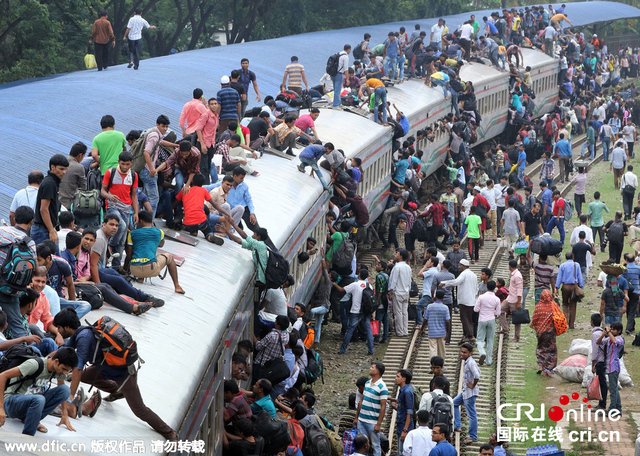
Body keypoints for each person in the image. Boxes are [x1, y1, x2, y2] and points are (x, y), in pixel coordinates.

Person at [54, 308, 175, 438]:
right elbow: (64, 351)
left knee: (140, 410)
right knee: (85, 376)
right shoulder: (81, 332)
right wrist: (47, 360)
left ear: (67, 327)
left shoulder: (83, 338)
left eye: (59, 328)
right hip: (105, 367)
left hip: (124, 374)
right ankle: (117, 391)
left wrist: (70, 396)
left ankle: (170, 433)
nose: (58, 332)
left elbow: (78, 369)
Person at [0, 346, 77, 436]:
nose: (65, 372)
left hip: (29, 403)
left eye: (68, 371)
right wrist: (1, 408)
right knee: (39, 399)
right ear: (56, 361)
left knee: (65, 390)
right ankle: (28, 436)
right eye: (64, 369)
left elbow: (61, 386)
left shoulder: (57, 370)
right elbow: (3, 376)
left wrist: (65, 414)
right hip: (11, 403)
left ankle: (32, 419)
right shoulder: (34, 364)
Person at [125, 210, 184, 294]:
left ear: (140, 221)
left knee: (139, 253)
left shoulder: (132, 233)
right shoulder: (159, 232)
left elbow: (129, 256)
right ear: (152, 222)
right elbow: (161, 244)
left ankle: (140, 278)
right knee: (169, 257)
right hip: (151, 268)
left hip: (134, 269)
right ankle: (177, 286)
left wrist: (124, 269)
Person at [101, 151, 140, 270]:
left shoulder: (134, 175)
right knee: (121, 227)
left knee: (122, 240)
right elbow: (102, 191)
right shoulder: (110, 172)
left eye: (127, 164)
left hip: (126, 209)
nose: (125, 167)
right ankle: (110, 246)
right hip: (113, 206)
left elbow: (134, 195)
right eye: (123, 164)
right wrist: (109, 196)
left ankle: (116, 267)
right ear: (118, 162)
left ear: (131, 163)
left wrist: (136, 212)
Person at [36, 243, 92, 320]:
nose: (36, 263)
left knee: (85, 305)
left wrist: (71, 310)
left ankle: (66, 323)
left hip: (58, 300)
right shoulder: (34, 266)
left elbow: (70, 284)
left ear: (48, 258)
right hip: (39, 299)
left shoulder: (62, 264)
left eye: (39, 260)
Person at [333, 269, 374, 355]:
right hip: (366, 311)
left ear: (359, 275)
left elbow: (341, 290)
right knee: (368, 329)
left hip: (355, 311)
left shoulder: (355, 285)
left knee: (350, 330)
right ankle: (371, 350)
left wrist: (334, 283)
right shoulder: (369, 286)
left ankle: (343, 349)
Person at [32, 155, 68, 249]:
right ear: (52, 167)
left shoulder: (53, 182)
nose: (64, 172)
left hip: (46, 229)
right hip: (43, 231)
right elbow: (43, 209)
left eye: (65, 169)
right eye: (61, 169)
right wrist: (51, 230)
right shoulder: (49, 183)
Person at [355, 362, 387, 456]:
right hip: (362, 420)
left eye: (372, 367)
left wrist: (378, 424)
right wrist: (357, 417)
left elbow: (383, 406)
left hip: (372, 421)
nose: (370, 368)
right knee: (362, 445)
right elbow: (361, 401)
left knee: (375, 444)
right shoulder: (368, 383)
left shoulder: (382, 387)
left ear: (377, 371)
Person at [441, 259, 477, 343]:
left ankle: (470, 336)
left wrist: (445, 283)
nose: (459, 267)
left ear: (464, 266)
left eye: (460, 265)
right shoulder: (473, 275)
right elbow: (476, 288)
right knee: (467, 318)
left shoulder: (464, 274)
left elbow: (456, 282)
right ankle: (466, 335)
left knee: (465, 318)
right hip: (471, 300)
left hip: (464, 300)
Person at [530, 289, 562, 376]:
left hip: (540, 333)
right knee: (551, 350)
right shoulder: (554, 306)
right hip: (551, 332)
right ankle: (547, 369)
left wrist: (537, 328)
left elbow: (534, 319)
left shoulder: (538, 306)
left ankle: (541, 366)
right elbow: (559, 316)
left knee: (541, 348)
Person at [454, 343, 479, 444]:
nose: (462, 354)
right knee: (453, 403)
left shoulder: (470, 363)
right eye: (461, 351)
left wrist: (473, 385)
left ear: (470, 353)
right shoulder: (468, 362)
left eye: (464, 352)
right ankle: (457, 426)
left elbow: (477, 375)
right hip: (465, 392)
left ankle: (473, 436)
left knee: (472, 415)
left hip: (470, 393)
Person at [596, 322, 624, 414]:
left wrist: (609, 333)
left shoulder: (620, 339)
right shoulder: (609, 339)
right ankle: (618, 408)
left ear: (619, 331)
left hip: (614, 367)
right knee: (614, 388)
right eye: (611, 329)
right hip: (609, 366)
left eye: (613, 330)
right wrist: (603, 335)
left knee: (612, 389)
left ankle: (612, 409)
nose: (611, 331)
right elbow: (598, 342)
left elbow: (615, 341)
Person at [474, 280, 500, 365]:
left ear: (487, 287)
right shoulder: (496, 299)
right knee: (490, 340)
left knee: (480, 339)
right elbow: (498, 312)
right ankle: (489, 360)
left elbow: (475, 309)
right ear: (494, 287)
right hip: (491, 320)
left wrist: (482, 310)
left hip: (482, 319)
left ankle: (482, 352)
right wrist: (493, 312)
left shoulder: (481, 297)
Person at [555, 252, 584, 329]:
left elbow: (559, 277)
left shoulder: (562, 265)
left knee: (565, 304)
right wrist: (581, 287)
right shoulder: (576, 265)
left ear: (566, 257)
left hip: (565, 287)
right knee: (573, 305)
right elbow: (579, 277)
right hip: (574, 287)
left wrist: (557, 287)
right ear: (573, 257)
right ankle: (571, 324)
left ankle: (565, 322)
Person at [389, 369, 414, 454]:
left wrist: (405, 430)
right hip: (401, 425)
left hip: (405, 426)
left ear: (404, 379)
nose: (396, 378)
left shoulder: (407, 392)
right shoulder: (403, 390)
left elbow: (409, 412)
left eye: (398, 376)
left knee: (403, 451)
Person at [388, 249, 412, 337]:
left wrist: (390, 291)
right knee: (405, 312)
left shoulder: (397, 267)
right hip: (406, 292)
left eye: (397, 253)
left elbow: (393, 280)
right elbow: (409, 280)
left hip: (398, 292)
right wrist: (408, 290)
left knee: (398, 312)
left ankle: (400, 331)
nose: (395, 254)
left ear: (400, 256)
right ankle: (405, 330)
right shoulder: (408, 267)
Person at [59, 142, 88, 211]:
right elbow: (83, 188)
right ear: (80, 155)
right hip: (70, 205)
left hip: (58, 203)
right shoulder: (79, 167)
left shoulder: (59, 164)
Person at [423, 290, 450, 359]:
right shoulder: (445, 308)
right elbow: (447, 321)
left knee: (432, 349)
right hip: (442, 332)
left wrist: (422, 328)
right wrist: (447, 332)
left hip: (432, 332)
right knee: (442, 349)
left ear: (435, 296)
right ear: (443, 297)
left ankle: (433, 364)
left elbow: (425, 319)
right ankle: (441, 364)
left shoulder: (429, 306)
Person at [590, 314, 608, 410]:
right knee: (602, 383)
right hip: (604, 361)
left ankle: (602, 404)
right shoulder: (602, 332)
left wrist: (593, 365)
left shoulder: (595, 334)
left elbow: (595, 351)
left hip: (599, 362)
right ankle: (602, 403)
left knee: (602, 383)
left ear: (592, 322)